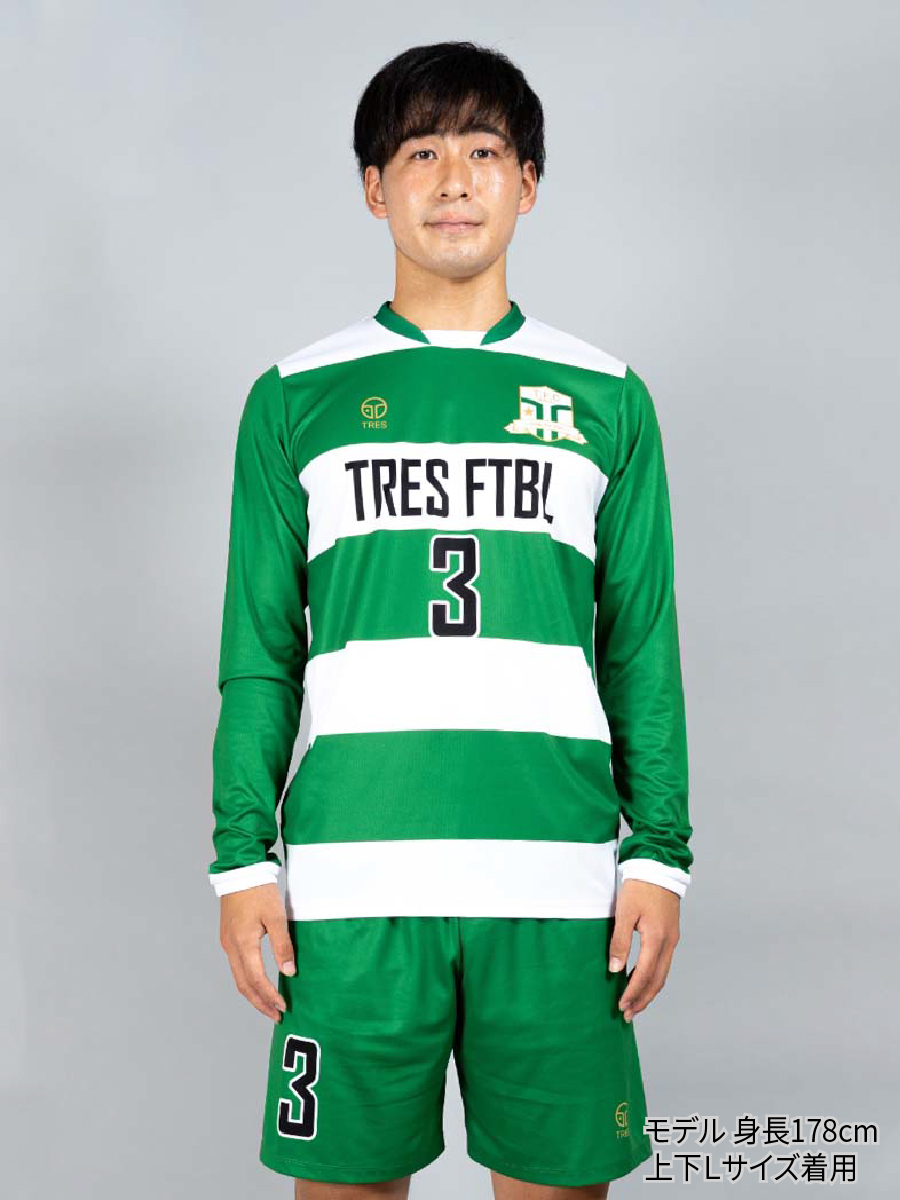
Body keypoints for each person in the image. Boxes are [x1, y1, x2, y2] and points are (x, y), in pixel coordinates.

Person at [208, 39, 693, 1200]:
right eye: (421, 152)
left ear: (529, 182)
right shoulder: (296, 397)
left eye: (483, 149)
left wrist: (662, 856)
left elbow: (640, 647)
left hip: (558, 883)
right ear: (375, 189)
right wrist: (239, 863)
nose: (455, 178)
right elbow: (260, 654)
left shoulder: (605, 396)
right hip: (352, 887)